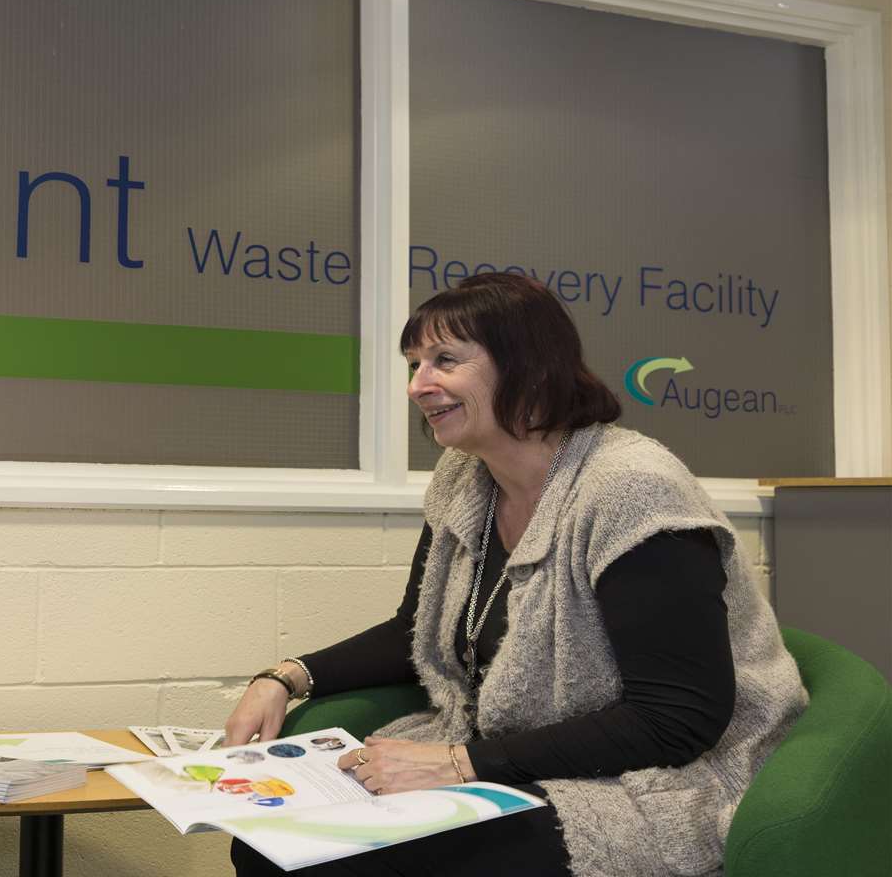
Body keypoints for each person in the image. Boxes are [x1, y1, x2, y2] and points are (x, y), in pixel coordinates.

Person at [223, 273, 805, 876]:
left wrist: (460, 764)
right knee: (269, 842)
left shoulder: (633, 490)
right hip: (513, 756)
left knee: (359, 860)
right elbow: (418, 630)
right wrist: (286, 677)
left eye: (444, 360)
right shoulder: (462, 478)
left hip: (660, 780)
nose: (418, 386)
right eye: (415, 364)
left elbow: (677, 719)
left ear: (527, 365)